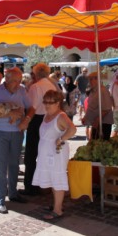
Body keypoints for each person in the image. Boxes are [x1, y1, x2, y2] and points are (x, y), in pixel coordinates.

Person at [0, 67, 30, 214]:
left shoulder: (22, 90)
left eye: (19, 81)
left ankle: (13, 193)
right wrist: (10, 112)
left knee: (14, 165)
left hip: (17, 132)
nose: (17, 84)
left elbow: (31, 108)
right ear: (6, 79)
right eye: (14, 81)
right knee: (0, 167)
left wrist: (26, 119)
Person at [32, 90, 77, 220]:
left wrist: (61, 139)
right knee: (53, 179)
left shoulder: (61, 116)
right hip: (47, 154)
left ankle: (58, 210)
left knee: (57, 180)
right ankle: (56, 205)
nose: (46, 105)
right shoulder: (47, 115)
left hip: (56, 154)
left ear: (58, 103)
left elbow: (72, 129)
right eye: (45, 102)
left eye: (50, 102)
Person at [20, 63, 55, 196]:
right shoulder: (52, 85)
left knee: (30, 155)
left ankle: (31, 186)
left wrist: (25, 122)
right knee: (45, 154)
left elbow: (32, 108)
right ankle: (44, 184)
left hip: (36, 121)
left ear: (36, 74)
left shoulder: (36, 87)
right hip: (49, 120)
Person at [82, 72, 113, 140]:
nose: (89, 82)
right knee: (94, 142)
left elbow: (107, 108)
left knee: (100, 144)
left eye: (91, 79)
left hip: (103, 123)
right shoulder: (93, 91)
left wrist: (98, 119)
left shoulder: (103, 91)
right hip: (96, 123)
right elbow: (91, 106)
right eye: (89, 80)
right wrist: (85, 117)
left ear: (97, 79)